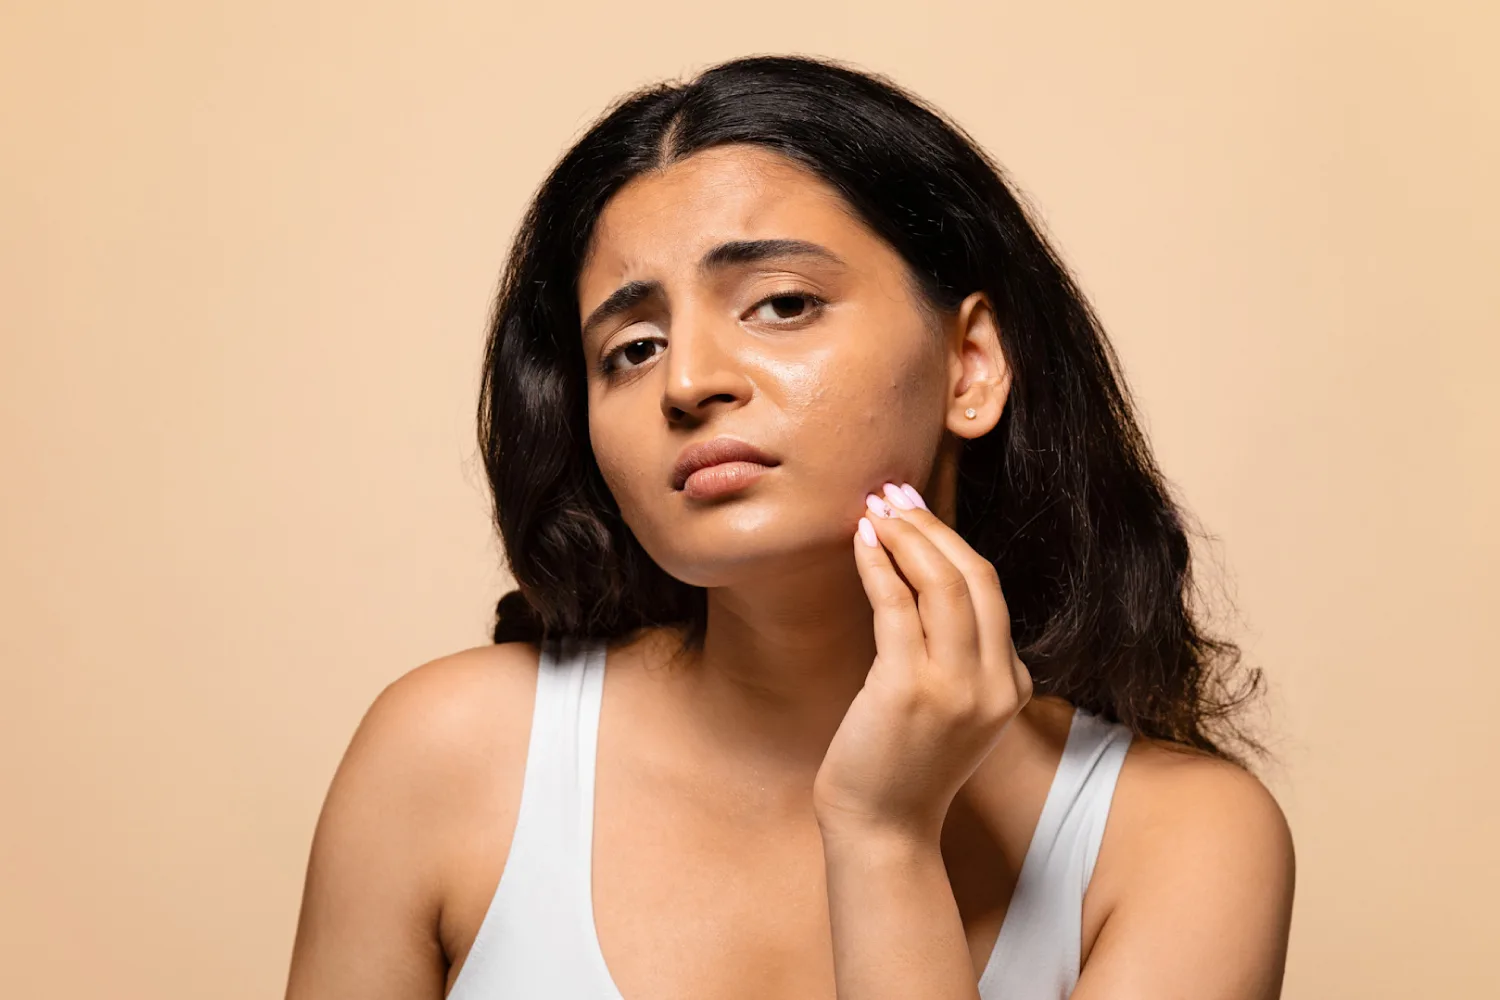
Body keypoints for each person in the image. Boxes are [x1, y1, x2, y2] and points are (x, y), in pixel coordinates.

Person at [285, 54, 1295, 999]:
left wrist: (884, 838)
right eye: (632, 348)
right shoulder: (448, 755)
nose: (688, 381)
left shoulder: (1179, 840)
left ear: (971, 365)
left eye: (778, 303)